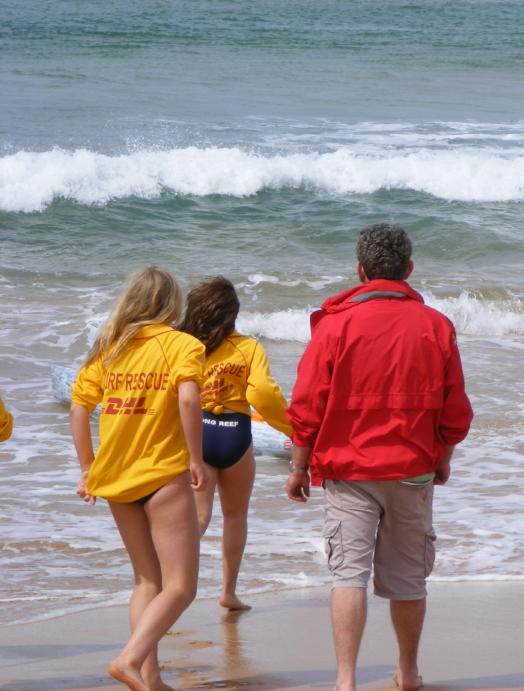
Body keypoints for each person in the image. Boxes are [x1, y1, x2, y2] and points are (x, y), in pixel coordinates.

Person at [285, 223, 473, 691]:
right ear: (408, 269)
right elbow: (455, 410)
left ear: (361, 270)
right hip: (412, 468)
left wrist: (298, 467)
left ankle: (346, 680)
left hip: (348, 470)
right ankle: (408, 672)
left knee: (348, 576)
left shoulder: (335, 326)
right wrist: (444, 456)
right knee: (408, 578)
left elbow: (307, 405)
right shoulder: (435, 325)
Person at [69, 266, 210, 691]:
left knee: (148, 580)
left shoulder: (110, 348)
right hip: (161, 473)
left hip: (116, 477)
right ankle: (128, 660)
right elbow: (189, 398)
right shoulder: (182, 344)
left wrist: (87, 467)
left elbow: (79, 408)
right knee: (181, 587)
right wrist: (197, 458)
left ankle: (150, 679)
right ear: (171, 303)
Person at [179, 276, 293, 611]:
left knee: (198, 518)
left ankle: (169, 586)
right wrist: (292, 429)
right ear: (233, 314)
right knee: (235, 516)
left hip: (198, 433)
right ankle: (228, 592)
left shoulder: (183, 345)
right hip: (235, 435)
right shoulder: (249, 347)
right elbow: (263, 394)